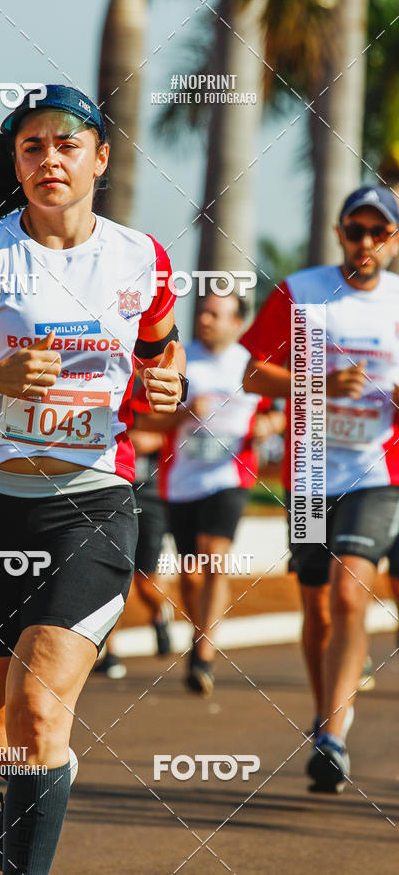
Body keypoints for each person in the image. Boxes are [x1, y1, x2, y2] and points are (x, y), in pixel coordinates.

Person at [0, 84, 186, 873]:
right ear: (17, 164)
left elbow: (165, 353)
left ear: (100, 157)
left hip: (90, 509)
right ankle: (44, 782)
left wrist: (169, 383)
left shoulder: (142, 257)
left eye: (67, 144)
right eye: (32, 146)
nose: (49, 158)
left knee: (37, 715)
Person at [240, 185, 399, 792]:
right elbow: (252, 373)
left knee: (350, 590)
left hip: (379, 470)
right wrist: (321, 382)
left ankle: (332, 737)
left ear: (392, 241)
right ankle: (326, 712)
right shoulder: (302, 291)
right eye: (354, 230)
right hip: (309, 474)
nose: (365, 242)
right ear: (338, 233)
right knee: (316, 607)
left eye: (377, 232)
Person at [137, 290, 277, 696]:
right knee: (192, 571)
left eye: (217, 314)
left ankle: (203, 652)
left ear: (238, 323)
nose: (206, 320)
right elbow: (149, 423)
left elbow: (276, 409)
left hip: (230, 477)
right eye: (203, 313)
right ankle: (199, 636)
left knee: (213, 557)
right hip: (181, 480)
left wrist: (269, 425)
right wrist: (183, 411)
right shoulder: (180, 360)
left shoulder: (249, 366)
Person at [95, 380, 173, 679]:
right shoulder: (100, 379)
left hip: (150, 494)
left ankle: (159, 612)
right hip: (109, 489)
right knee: (106, 576)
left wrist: (150, 439)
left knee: (144, 579)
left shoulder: (154, 387)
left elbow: (177, 430)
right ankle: (110, 652)